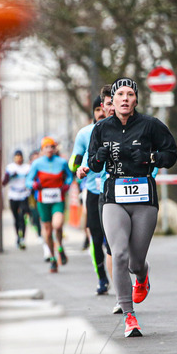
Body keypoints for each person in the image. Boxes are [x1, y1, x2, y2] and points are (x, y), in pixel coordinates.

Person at [87, 78, 177, 337]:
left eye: (130, 94)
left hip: (143, 198)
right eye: (120, 95)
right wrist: (98, 158)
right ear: (112, 102)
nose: (125, 99)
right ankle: (129, 316)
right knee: (119, 255)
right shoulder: (101, 128)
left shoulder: (151, 125)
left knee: (135, 261)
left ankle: (142, 275)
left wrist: (151, 158)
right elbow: (93, 165)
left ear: (136, 99)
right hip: (113, 196)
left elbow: (171, 155)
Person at [70, 87, 114, 294]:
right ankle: (102, 278)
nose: (100, 112)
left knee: (113, 238)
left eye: (102, 107)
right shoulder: (84, 133)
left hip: (114, 189)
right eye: (97, 109)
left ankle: (120, 275)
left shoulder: (118, 131)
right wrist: (77, 165)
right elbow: (73, 160)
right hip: (93, 191)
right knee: (95, 237)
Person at [26, 137, 74, 272]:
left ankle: (60, 246)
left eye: (51, 147)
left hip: (58, 199)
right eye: (46, 147)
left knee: (57, 225)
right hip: (43, 201)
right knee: (47, 231)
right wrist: (34, 185)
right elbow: (28, 181)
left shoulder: (62, 162)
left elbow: (70, 176)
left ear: (55, 149)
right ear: (42, 150)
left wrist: (67, 185)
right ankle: (53, 258)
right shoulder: (37, 164)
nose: (49, 149)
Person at [1, 149, 32, 249]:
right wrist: (10, 176)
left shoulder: (27, 168)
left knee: (22, 216)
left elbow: (32, 179)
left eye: (20, 156)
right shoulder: (10, 167)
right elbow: (4, 182)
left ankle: (22, 237)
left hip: (24, 194)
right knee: (16, 218)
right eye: (16, 157)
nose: (18, 159)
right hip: (13, 195)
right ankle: (18, 236)